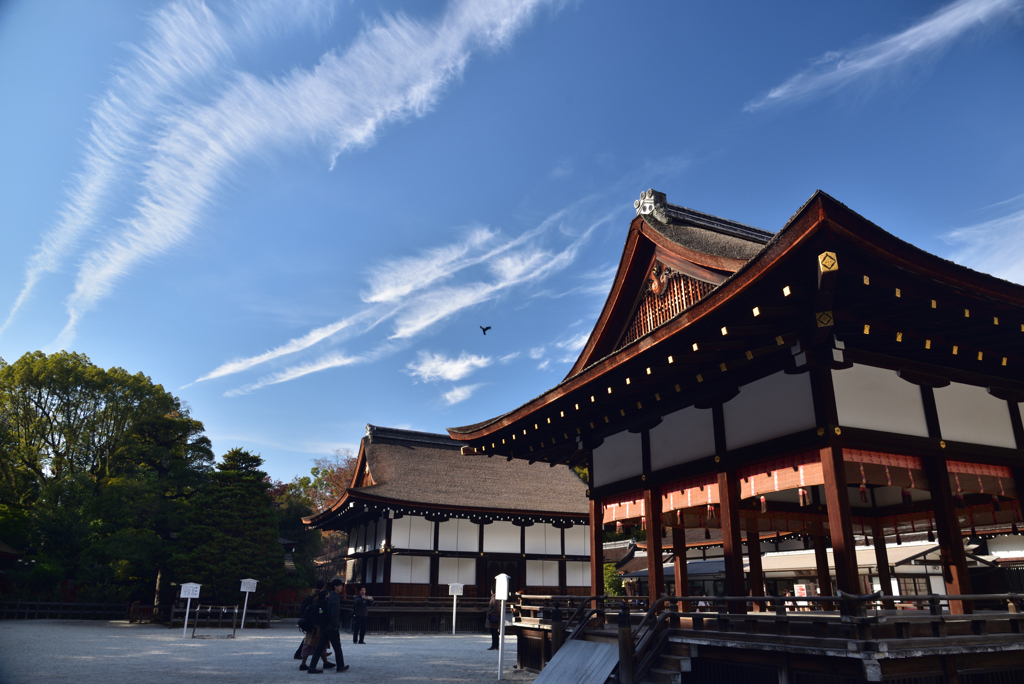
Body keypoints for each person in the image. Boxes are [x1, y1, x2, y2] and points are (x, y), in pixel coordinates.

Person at [309, 579, 349, 674]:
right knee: (337, 647)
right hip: (331, 627)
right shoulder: (335, 598)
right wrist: (336, 625)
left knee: (319, 647)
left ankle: (312, 666)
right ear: (335, 587)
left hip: (325, 625)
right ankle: (340, 666)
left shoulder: (329, 596)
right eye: (340, 585)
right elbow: (334, 613)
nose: (341, 587)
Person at [301, 586, 335, 671]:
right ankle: (323, 663)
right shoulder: (323, 603)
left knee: (309, 645)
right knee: (319, 646)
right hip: (317, 629)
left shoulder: (315, 602)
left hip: (311, 627)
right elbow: (322, 615)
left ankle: (304, 663)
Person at [295, 581, 324, 661]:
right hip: (313, 620)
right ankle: (321, 653)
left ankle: (322, 653)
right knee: (312, 638)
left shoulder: (311, 594)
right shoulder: (318, 596)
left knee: (309, 638)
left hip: (307, 617)